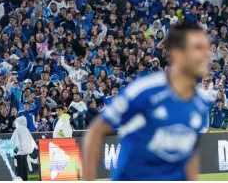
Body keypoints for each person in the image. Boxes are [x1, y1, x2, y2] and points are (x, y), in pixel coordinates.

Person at [82, 24, 211, 181]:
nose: (207, 54)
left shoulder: (201, 103)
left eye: (207, 47)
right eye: (198, 48)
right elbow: (96, 131)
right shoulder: (145, 90)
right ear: (177, 53)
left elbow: (191, 154)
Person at [12, 116, 37, 181]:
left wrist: (14, 151)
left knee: (19, 171)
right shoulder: (26, 130)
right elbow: (31, 141)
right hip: (25, 153)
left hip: (19, 154)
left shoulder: (17, 130)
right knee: (25, 169)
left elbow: (15, 143)